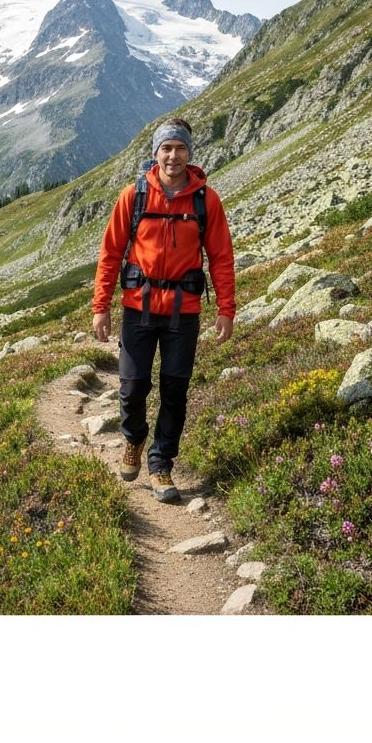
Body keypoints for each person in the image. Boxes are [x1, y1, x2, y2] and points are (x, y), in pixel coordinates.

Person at [92, 117, 235, 502]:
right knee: (132, 386)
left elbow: (221, 257)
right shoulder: (133, 195)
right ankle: (134, 439)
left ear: (190, 153)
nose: (173, 156)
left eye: (180, 148)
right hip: (137, 308)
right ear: (155, 153)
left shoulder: (206, 200)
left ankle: (161, 464)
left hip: (183, 312)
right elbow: (110, 253)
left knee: (175, 390)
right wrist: (101, 305)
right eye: (166, 148)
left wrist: (226, 308)